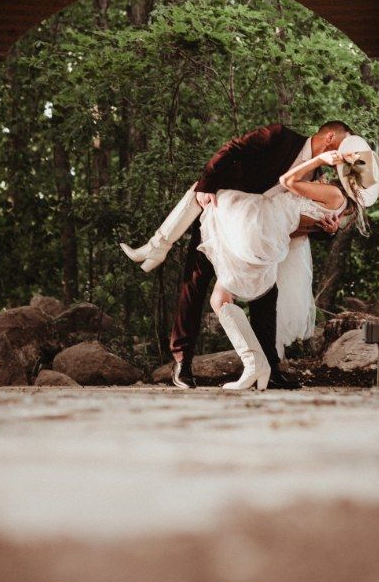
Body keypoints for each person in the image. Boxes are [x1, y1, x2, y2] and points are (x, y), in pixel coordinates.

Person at [121, 120, 353, 390]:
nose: (345, 153)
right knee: (196, 283)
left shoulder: (314, 177)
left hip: (258, 238)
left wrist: (329, 230)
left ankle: (269, 368)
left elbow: (300, 222)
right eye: (344, 143)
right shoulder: (280, 137)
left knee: (267, 295)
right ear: (330, 138)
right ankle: (182, 361)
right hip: (224, 215)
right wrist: (207, 185)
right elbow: (233, 149)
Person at [203, 138, 379, 391]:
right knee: (221, 298)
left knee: (210, 198)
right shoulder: (337, 204)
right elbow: (293, 227)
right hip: (266, 238)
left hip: (256, 227)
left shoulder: (332, 194)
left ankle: (255, 364)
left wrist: (318, 159)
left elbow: (287, 181)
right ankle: (258, 366)